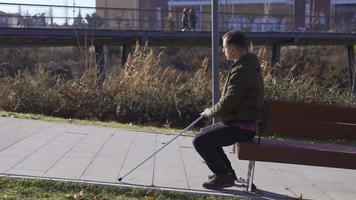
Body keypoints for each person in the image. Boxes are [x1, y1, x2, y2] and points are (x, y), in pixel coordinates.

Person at [193, 31, 264, 190]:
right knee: (205, 135)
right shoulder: (247, 65)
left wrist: (209, 112)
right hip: (243, 123)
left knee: (200, 141)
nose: (223, 50)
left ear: (232, 49)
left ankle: (223, 175)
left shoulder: (242, 70)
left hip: (242, 126)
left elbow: (229, 101)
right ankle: (227, 174)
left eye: (224, 47)